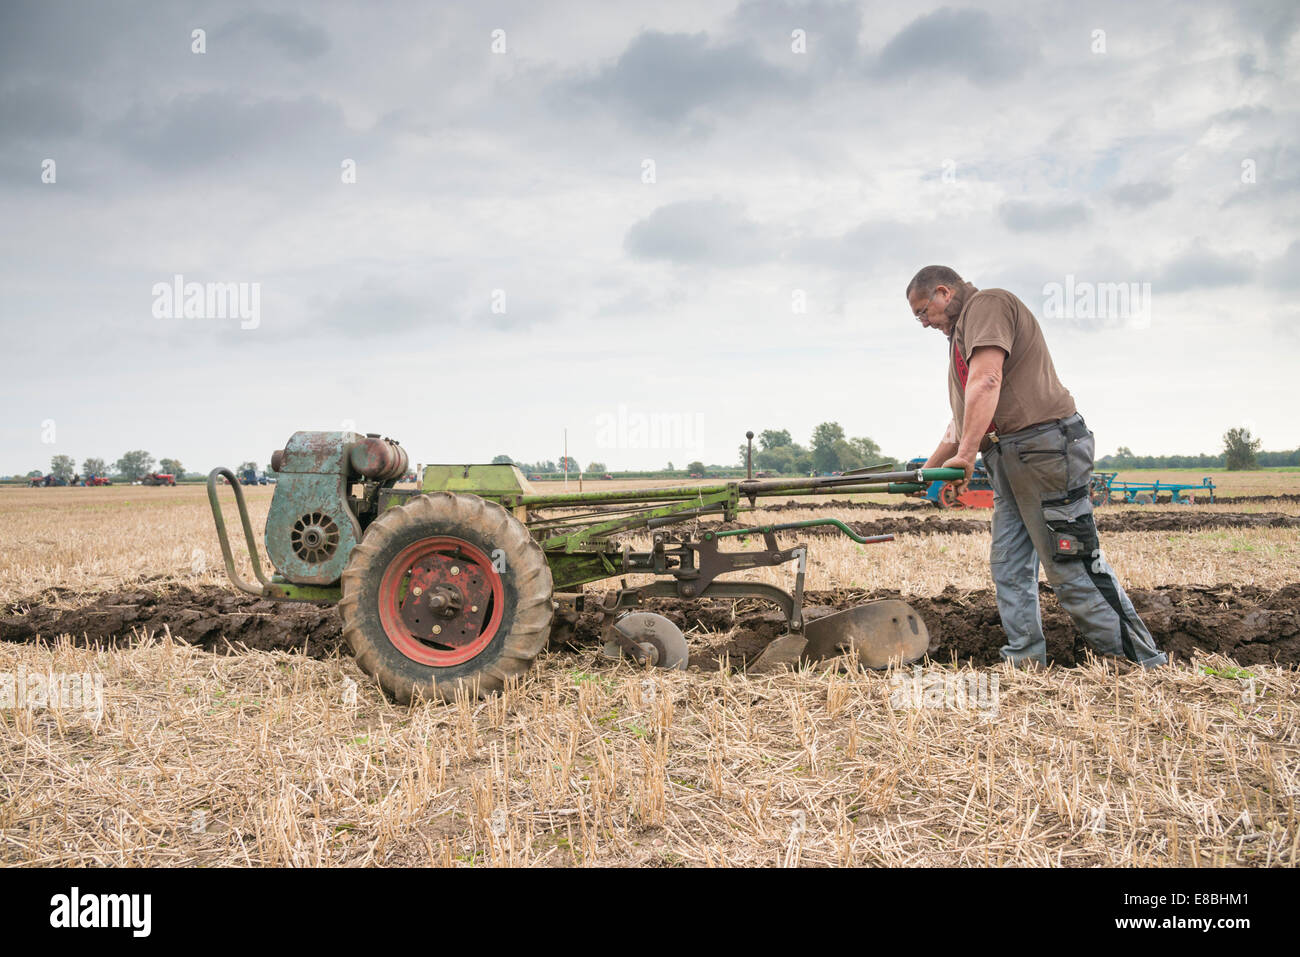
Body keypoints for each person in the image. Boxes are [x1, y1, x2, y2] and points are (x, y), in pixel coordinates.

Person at [907, 265, 1166, 669]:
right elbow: (960, 421)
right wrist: (928, 473)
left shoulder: (986, 305)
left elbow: (988, 381)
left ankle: (1143, 664)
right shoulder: (961, 334)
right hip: (1010, 458)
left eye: (924, 312)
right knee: (1009, 566)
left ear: (944, 292)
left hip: (1042, 450)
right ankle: (1025, 661)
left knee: (1072, 566)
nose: (924, 323)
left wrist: (967, 454)